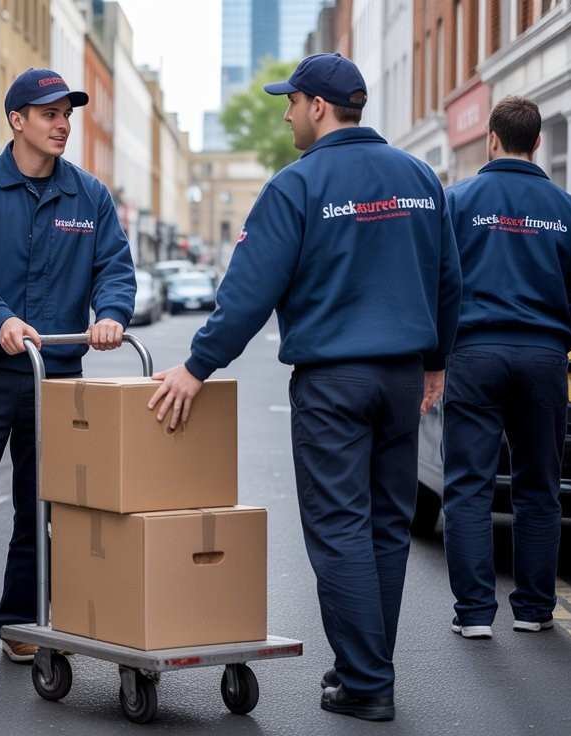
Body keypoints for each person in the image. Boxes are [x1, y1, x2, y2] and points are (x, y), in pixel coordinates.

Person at [147, 53, 461, 722]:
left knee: (340, 527)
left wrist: (196, 365)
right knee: (384, 527)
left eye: (290, 102)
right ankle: (365, 668)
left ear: (319, 106)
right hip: (402, 376)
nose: (286, 114)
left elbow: (248, 292)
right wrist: (435, 361)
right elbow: (448, 280)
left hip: (333, 383)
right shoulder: (420, 179)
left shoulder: (298, 186)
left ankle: (368, 680)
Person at [0, 68, 136, 679]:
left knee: (42, 509)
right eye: (48, 113)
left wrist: (112, 314)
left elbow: (114, 268)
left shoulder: (89, 197)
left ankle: (19, 622)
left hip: (57, 379)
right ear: (17, 120)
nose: (62, 123)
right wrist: (0, 319)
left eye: (67, 113)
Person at [440, 96, 571, 640]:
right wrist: (557, 341)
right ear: (536, 143)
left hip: (474, 355)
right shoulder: (566, 209)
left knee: (468, 485)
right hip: (542, 359)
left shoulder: (458, 201)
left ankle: (473, 614)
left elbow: (439, 281)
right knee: (539, 486)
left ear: (491, 138)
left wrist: (442, 348)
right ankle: (533, 609)